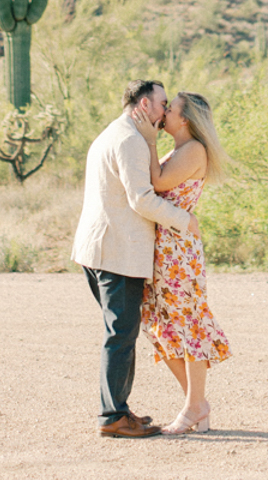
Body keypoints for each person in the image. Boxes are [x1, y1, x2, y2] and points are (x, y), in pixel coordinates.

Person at [71, 79, 200, 438]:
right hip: (117, 251)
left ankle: (119, 410)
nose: (164, 112)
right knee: (121, 333)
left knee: (121, 331)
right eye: (162, 104)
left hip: (101, 247)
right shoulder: (130, 140)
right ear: (144, 105)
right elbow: (141, 198)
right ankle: (112, 416)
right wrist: (184, 220)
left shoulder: (115, 133)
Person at [136, 89, 231, 435]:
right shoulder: (178, 149)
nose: (163, 114)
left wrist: (146, 140)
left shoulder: (193, 150)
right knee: (159, 323)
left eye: (170, 109)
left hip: (178, 250)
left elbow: (157, 182)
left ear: (185, 119)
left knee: (186, 322)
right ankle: (197, 406)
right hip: (167, 246)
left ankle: (195, 406)